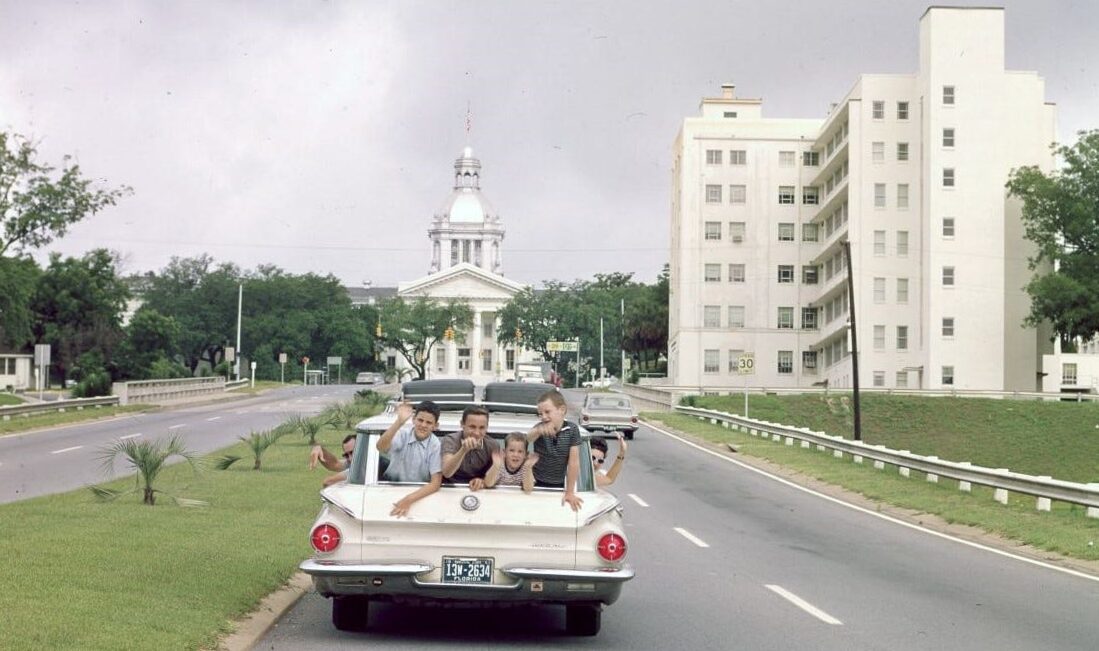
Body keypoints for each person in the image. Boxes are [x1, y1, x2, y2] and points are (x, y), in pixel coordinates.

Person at [376, 400, 443, 517]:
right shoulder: (402, 434)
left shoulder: (435, 445)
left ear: (435, 426)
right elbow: (380, 447)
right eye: (420, 420)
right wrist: (399, 422)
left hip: (419, 493)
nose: (423, 425)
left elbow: (435, 483)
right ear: (413, 419)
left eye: (428, 422)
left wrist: (408, 500)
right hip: (390, 486)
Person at [527, 390, 583, 511]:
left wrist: (569, 492)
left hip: (559, 485)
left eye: (547, 412)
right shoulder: (539, 427)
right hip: (536, 483)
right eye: (540, 414)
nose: (543, 417)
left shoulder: (572, 429)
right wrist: (538, 431)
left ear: (562, 410)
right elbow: (528, 438)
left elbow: (573, 463)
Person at [441, 405, 500, 490]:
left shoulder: (493, 445)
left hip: (478, 490)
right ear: (462, 424)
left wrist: (482, 481)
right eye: (472, 427)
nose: (476, 433)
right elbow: (447, 472)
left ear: (487, 427)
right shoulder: (450, 440)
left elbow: (493, 477)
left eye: (482, 428)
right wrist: (463, 450)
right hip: (449, 488)